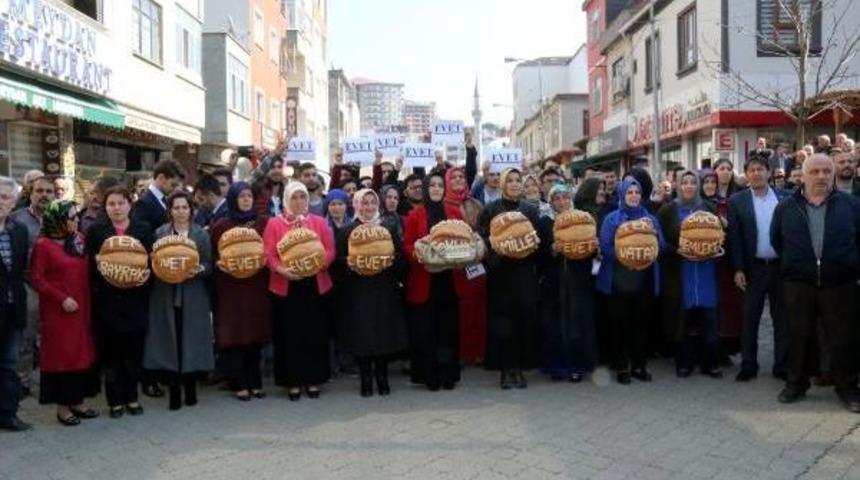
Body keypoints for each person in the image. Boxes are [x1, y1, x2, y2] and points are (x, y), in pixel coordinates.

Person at [770, 154, 860, 412]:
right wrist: (796, 264)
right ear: (804, 175)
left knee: (843, 337)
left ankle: (848, 388)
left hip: (839, 282)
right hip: (800, 283)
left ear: (832, 175)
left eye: (826, 171)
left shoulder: (851, 205)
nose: (821, 176)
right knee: (798, 335)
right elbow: (778, 241)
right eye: (815, 171)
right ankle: (796, 384)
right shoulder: (786, 207)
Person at [85, 187, 153, 418]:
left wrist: (145, 277)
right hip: (107, 302)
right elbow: (89, 268)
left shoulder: (143, 229)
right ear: (105, 207)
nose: (116, 208)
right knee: (111, 355)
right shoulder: (96, 231)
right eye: (111, 204)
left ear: (129, 204)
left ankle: (132, 398)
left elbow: (151, 263)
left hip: (136, 300)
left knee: (133, 353)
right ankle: (114, 401)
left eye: (120, 203)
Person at [30, 200, 99, 425]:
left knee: (81, 354)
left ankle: (77, 401)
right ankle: (62, 407)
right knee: (63, 357)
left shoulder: (79, 240)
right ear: (57, 219)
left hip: (82, 308)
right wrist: (62, 298)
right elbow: (37, 279)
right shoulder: (44, 245)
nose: (76, 220)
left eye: (76, 216)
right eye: (71, 217)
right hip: (59, 312)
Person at [263, 182, 334, 400]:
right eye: (294, 197)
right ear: (286, 200)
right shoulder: (275, 224)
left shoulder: (320, 223)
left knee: (314, 334)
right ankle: (292, 382)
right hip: (287, 287)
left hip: (314, 284)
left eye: (303, 197)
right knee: (289, 335)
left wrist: (318, 265)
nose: (299, 202)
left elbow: (330, 250)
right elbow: (268, 255)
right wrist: (283, 270)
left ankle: (313, 380)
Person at [144, 190, 214, 411]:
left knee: (191, 339)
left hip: (193, 293)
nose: (181, 211)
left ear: (191, 210)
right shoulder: (160, 233)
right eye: (176, 208)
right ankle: (174, 389)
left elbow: (209, 263)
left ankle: (190, 386)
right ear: (170, 211)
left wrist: (199, 269)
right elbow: (153, 264)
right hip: (165, 292)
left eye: (185, 207)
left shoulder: (200, 234)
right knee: (169, 339)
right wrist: (155, 263)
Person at [336, 189, 407, 397]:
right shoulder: (348, 230)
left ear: (378, 205)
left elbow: (400, 258)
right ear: (357, 205)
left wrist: (392, 261)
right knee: (363, 336)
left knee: (383, 335)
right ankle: (365, 377)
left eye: (372, 203)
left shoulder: (388, 228)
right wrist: (349, 264)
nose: (368, 207)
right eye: (364, 203)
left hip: (384, 289)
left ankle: (382, 375)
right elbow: (338, 262)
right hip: (358, 291)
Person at [477, 168, 542, 389]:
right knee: (503, 325)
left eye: (518, 180)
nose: (514, 184)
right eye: (510, 180)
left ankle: (520, 369)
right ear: (503, 183)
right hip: (500, 275)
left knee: (523, 322)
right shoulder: (490, 209)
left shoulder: (531, 210)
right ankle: (505, 370)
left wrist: (533, 245)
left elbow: (537, 240)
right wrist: (493, 247)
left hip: (524, 274)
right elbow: (482, 238)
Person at [597, 177, 666, 384]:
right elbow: (605, 247)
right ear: (622, 195)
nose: (634, 196)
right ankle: (621, 367)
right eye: (630, 192)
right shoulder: (612, 219)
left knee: (641, 324)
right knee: (620, 325)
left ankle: (639, 365)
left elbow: (661, 246)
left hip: (643, 280)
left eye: (637, 192)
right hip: (619, 279)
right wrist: (627, 254)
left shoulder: (650, 219)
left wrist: (652, 234)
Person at [728, 156, 789, 382]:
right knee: (749, 319)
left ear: (769, 172)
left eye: (760, 169)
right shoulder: (737, 201)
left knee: (782, 319)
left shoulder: (785, 198)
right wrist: (738, 269)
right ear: (746, 174)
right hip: (752, 269)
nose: (756, 173)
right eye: (751, 170)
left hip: (779, 268)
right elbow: (734, 238)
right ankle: (748, 365)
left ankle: (782, 365)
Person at [657, 172, 723, 379]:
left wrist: (720, 245)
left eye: (693, 182)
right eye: (684, 182)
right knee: (682, 320)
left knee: (709, 318)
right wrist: (675, 250)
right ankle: (683, 363)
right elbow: (659, 242)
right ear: (677, 185)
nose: (689, 186)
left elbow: (721, 236)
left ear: (698, 186)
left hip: (706, 271)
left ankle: (710, 363)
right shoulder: (667, 211)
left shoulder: (710, 208)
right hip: (680, 271)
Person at [210, 182, 272, 401]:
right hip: (231, 287)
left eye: (249, 196)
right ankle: (239, 383)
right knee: (235, 335)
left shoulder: (264, 223)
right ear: (233, 199)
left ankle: (255, 382)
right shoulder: (221, 226)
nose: (246, 200)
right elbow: (212, 255)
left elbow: (272, 250)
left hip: (256, 286)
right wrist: (219, 264)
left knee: (254, 333)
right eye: (241, 196)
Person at [403, 171, 463, 391]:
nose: (436, 188)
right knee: (426, 332)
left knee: (447, 331)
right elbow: (407, 246)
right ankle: (429, 376)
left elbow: (464, 240)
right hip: (424, 282)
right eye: (432, 185)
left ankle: (448, 375)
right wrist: (422, 253)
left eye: (440, 185)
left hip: (449, 281)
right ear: (426, 189)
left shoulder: (455, 213)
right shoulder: (414, 215)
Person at [538, 184, 597, 382]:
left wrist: (593, 247)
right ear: (551, 201)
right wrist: (551, 250)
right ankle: (557, 366)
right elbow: (537, 255)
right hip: (554, 283)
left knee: (577, 324)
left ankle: (577, 366)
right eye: (557, 198)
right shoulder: (545, 222)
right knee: (554, 325)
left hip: (577, 281)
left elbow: (591, 252)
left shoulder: (583, 219)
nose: (561, 202)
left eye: (565, 197)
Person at [10, 175, 54, 394]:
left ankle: (51, 379)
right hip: (28, 285)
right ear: (31, 192)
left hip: (54, 287)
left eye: (49, 191)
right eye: (40, 191)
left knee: (51, 337)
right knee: (26, 337)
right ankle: (23, 382)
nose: (44, 195)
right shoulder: (17, 219)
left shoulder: (60, 218)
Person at [443, 166, 486, 365]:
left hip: (476, 265)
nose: (459, 179)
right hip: (454, 267)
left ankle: (477, 351)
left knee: (478, 308)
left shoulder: (475, 203)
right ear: (447, 182)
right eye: (454, 177)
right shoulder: (443, 206)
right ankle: (461, 352)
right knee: (460, 311)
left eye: (461, 176)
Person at [0, 177, 32, 431]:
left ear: (13, 202)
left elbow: (20, 271)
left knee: (10, 364)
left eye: (4, 197)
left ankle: (8, 415)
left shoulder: (18, 231)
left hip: (13, 310)